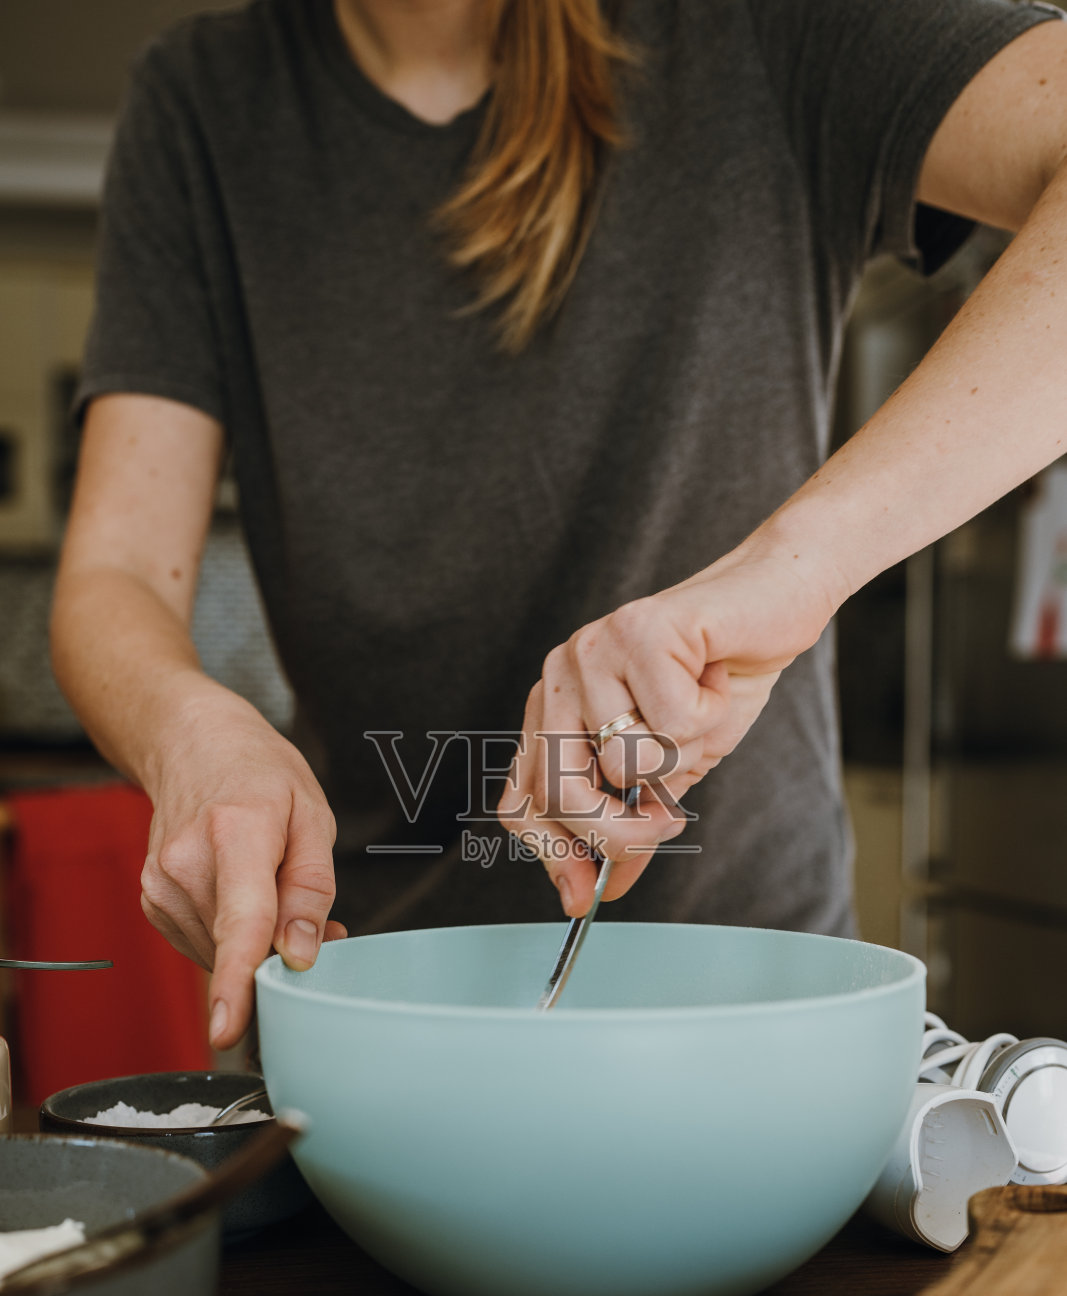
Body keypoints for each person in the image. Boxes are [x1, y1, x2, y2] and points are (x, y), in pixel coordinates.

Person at [50, 0, 1067, 1051]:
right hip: (367, 1023)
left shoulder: (760, 26)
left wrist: (791, 569)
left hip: (744, 1024)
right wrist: (188, 733)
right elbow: (115, 571)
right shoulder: (202, 102)